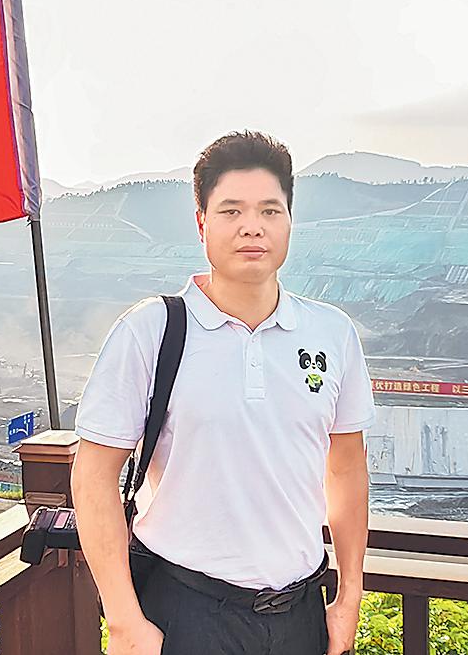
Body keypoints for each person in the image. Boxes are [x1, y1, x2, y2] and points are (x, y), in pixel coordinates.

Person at [72, 131, 375, 655]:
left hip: (300, 614)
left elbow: (346, 468)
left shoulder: (332, 333)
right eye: (231, 211)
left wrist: (349, 595)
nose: (252, 227)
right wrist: (124, 620)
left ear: (289, 221)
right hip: (184, 611)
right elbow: (94, 474)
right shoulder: (152, 331)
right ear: (202, 223)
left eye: (269, 211)